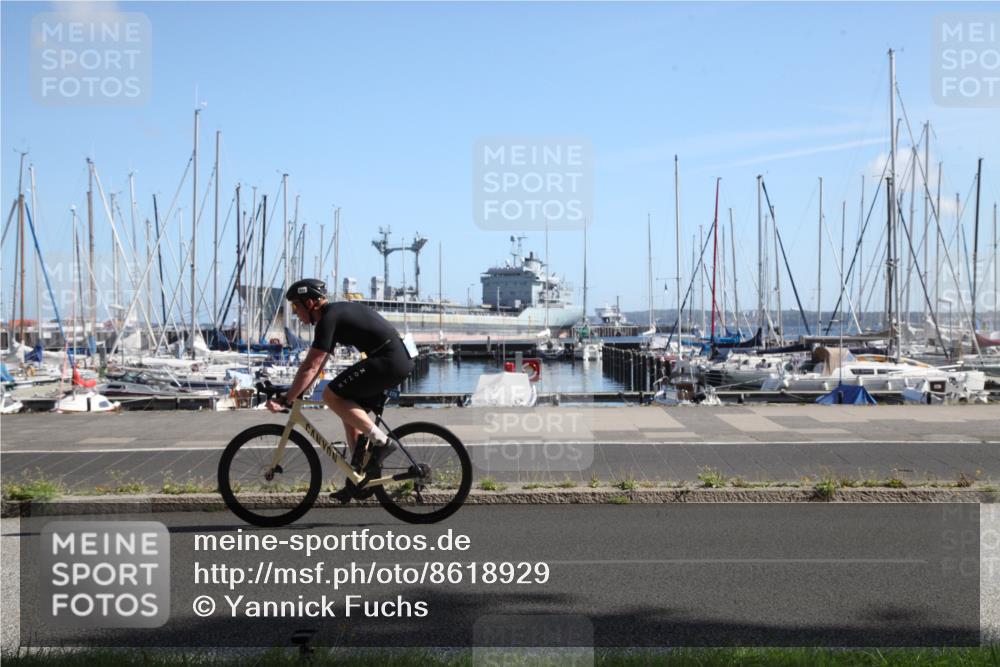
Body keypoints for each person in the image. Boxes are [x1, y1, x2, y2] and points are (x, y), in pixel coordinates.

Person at [266, 278, 415, 502]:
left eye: (296, 306)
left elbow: (311, 365)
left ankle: (382, 442)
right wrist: (299, 391)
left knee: (330, 395)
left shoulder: (328, 319)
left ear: (310, 303)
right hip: (395, 359)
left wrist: (287, 398)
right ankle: (357, 478)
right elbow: (319, 363)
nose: (295, 313)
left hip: (389, 360)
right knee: (347, 407)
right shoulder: (334, 315)